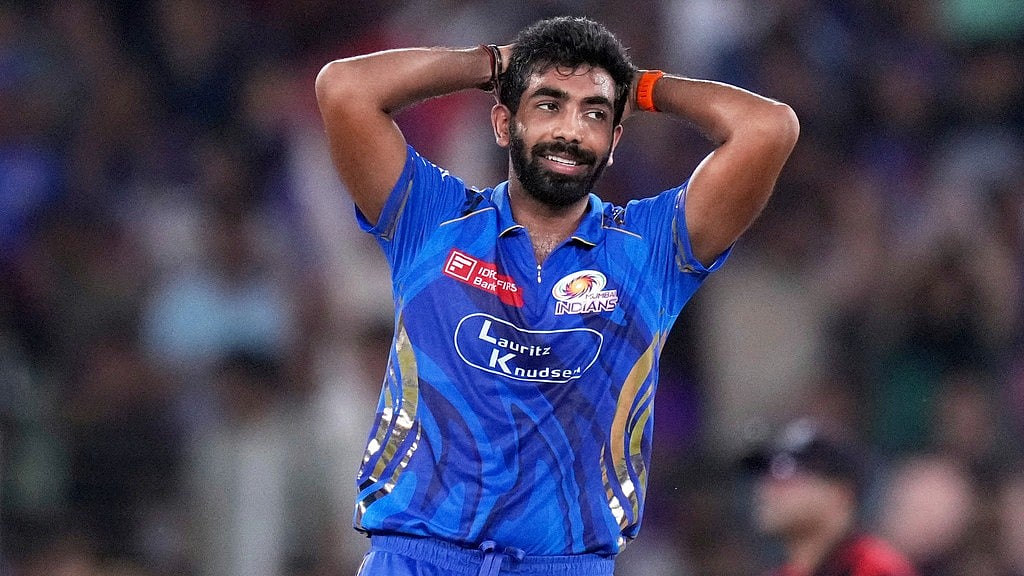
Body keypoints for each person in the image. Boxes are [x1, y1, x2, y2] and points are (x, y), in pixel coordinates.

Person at [315, 15, 798, 576]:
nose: (571, 130)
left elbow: (769, 127)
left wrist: (636, 86)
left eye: (594, 114)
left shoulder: (650, 252)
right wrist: (496, 62)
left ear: (615, 140)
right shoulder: (433, 220)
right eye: (548, 105)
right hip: (415, 559)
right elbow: (343, 88)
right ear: (503, 122)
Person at [742, 419, 919, 576]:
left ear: (840, 493)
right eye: (764, 473)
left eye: (784, 475)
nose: (766, 489)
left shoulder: (877, 569)